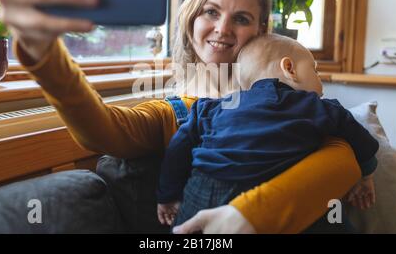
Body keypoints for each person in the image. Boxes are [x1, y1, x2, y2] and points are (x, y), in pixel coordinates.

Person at [0, 0, 362, 234]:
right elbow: (103, 131)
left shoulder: (293, 100)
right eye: (211, 12)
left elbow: (344, 158)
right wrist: (43, 54)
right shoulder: (177, 111)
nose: (222, 28)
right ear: (191, 23)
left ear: (262, 31)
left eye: (242, 18)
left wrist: (249, 215)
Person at [157, 34, 378, 233]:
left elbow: (178, 149)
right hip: (268, 191)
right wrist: (366, 175)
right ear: (289, 68)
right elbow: (361, 139)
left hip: (204, 190)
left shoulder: (209, 108)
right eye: (315, 70)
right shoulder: (317, 106)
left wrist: (167, 196)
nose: (320, 81)